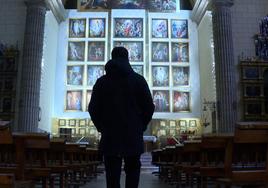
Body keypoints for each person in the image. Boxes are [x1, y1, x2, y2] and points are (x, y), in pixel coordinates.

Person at [88, 47, 155, 188]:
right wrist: (141, 126)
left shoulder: (102, 82)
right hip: (133, 134)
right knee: (133, 172)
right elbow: (149, 107)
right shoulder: (138, 80)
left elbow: (93, 108)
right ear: (127, 58)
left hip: (110, 135)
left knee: (112, 176)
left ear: (112, 58)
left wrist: (102, 127)